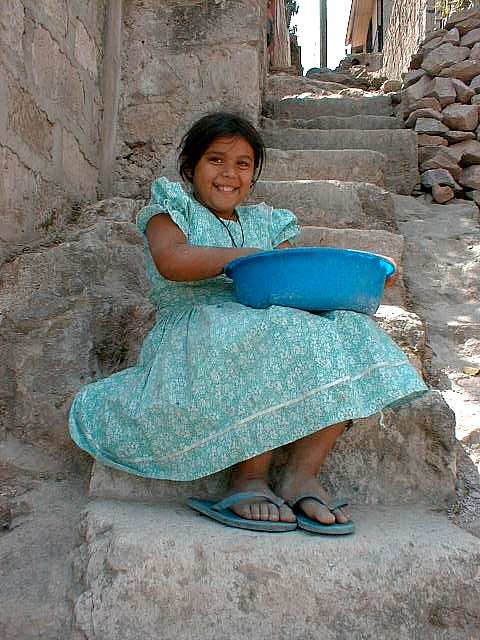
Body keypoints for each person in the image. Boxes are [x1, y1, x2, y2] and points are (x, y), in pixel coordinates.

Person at [69, 112, 428, 534]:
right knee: (265, 332)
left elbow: (295, 276)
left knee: (348, 329)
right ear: (190, 167)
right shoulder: (173, 209)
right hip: (197, 332)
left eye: (242, 164)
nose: (229, 173)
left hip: (262, 321)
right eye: (215, 160)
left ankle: (301, 475)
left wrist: (362, 273)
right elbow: (171, 260)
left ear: (253, 175)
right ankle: (249, 477)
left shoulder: (268, 223)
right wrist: (246, 258)